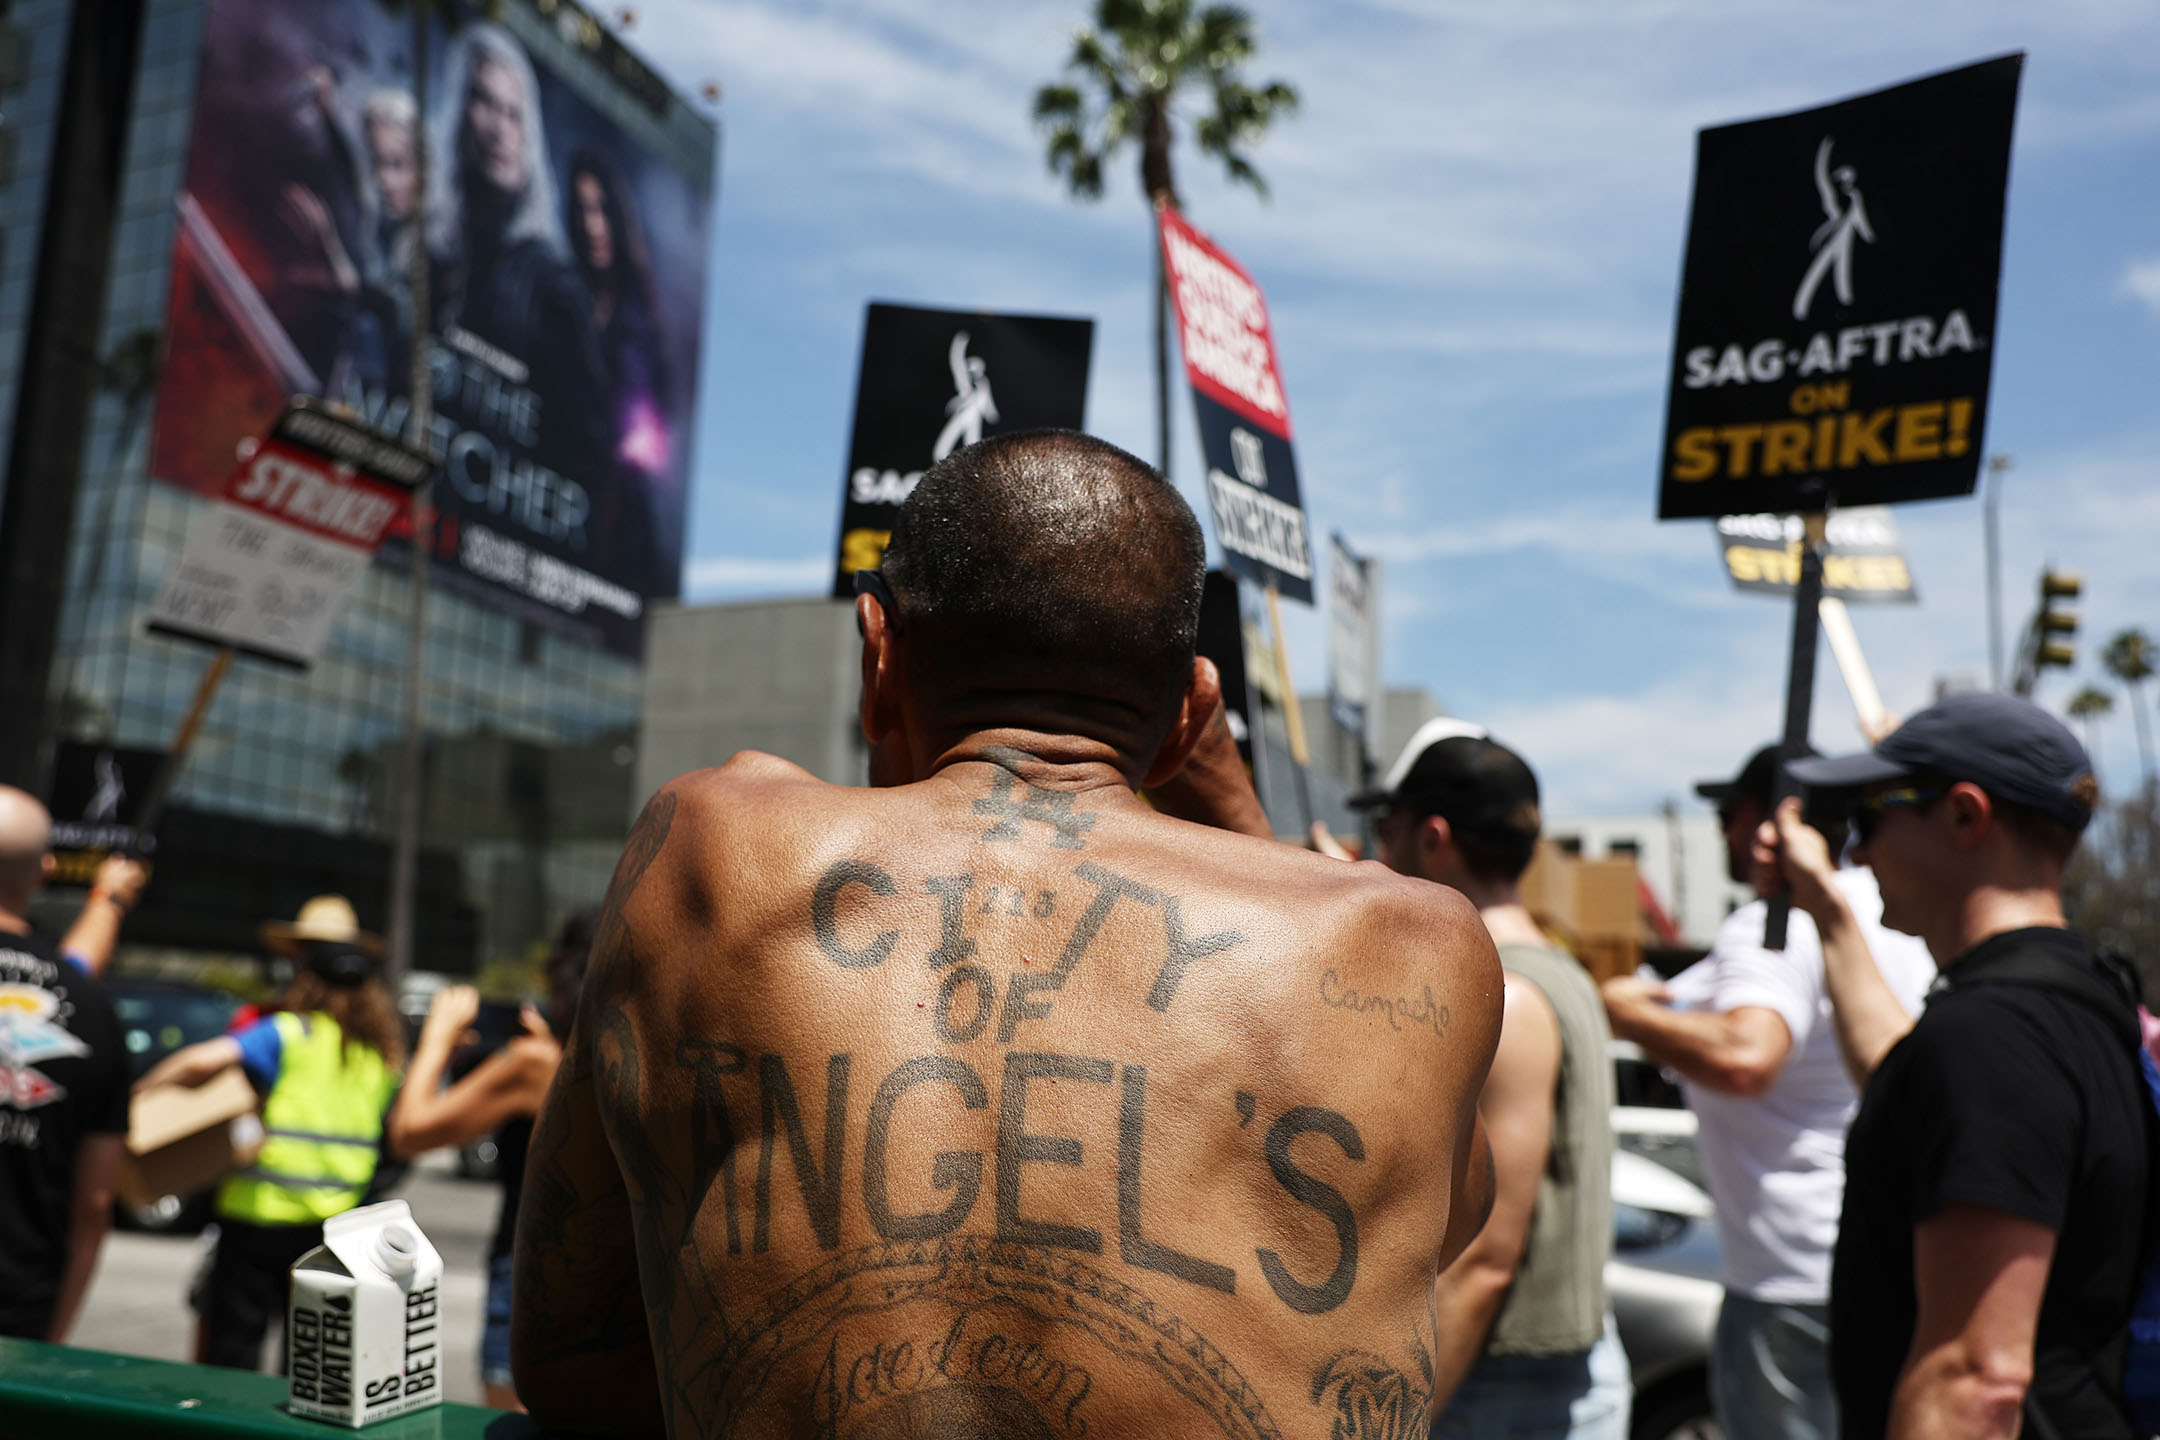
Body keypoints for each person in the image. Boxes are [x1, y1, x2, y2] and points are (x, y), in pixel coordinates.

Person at [510, 430, 1503, 1437]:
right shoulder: (1410, 948)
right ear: (1189, 715)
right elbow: (1436, 1221)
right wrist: (1247, 825)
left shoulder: (707, 851)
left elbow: (572, 1359)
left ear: (877, 649)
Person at [1761, 692, 2147, 1439]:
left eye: (1870, 816)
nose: (1856, 853)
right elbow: (1909, 1093)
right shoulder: (2073, 1001)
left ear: (1966, 816)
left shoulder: (1989, 1039)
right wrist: (1827, 911)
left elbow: (1976, 1382)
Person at [1600, 744, 1935, 1440]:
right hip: (1884, 1265)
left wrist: (1623, 1012)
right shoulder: (1894, 913)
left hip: (1789, 1286)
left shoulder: (1775, 924)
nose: (1725, 830)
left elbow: (1748, 1056)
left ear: (1766, 822)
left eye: (1730, 812)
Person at [1349, 724, 1628, 1438]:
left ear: (1434, 838)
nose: (1380, 849)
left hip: (1501, 1389)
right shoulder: (1557, 973)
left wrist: (1399, 1423)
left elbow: (1486, 1264)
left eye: (1389, 828)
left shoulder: (1507, 994)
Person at [139, 894, 405, 1372]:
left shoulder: (286, 1032)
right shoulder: (382, 1055)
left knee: (233, 1359)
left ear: (306, 973)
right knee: (311, 1368)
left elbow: (202, 1061)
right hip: (335, 1228)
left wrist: (139, 1095)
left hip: (256, 1218)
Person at [385, 913, 582, 1411]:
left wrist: (438, 1037)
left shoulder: (535, 1064)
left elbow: (409, 1132)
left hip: (532, 1278)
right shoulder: (604, 1059)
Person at [0, 786, 128, 1342]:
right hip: (17, 1317)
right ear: (45, 871)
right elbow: (95, 1205)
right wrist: (51, 1338)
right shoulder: (95, 1012)